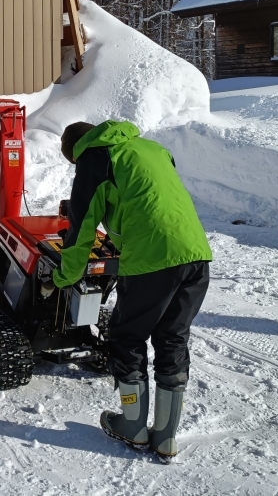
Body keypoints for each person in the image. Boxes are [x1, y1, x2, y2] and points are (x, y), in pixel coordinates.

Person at [45, 120, 212, 458]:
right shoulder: (151, 148)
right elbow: (150, 201)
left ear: (76, 152)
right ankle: (165, 437)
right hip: (196, 254)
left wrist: (61, 278)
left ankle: (133, 426)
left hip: (153, 259)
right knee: (172, 337)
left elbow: (81, 233)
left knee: (126, 336)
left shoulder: (95, 159)